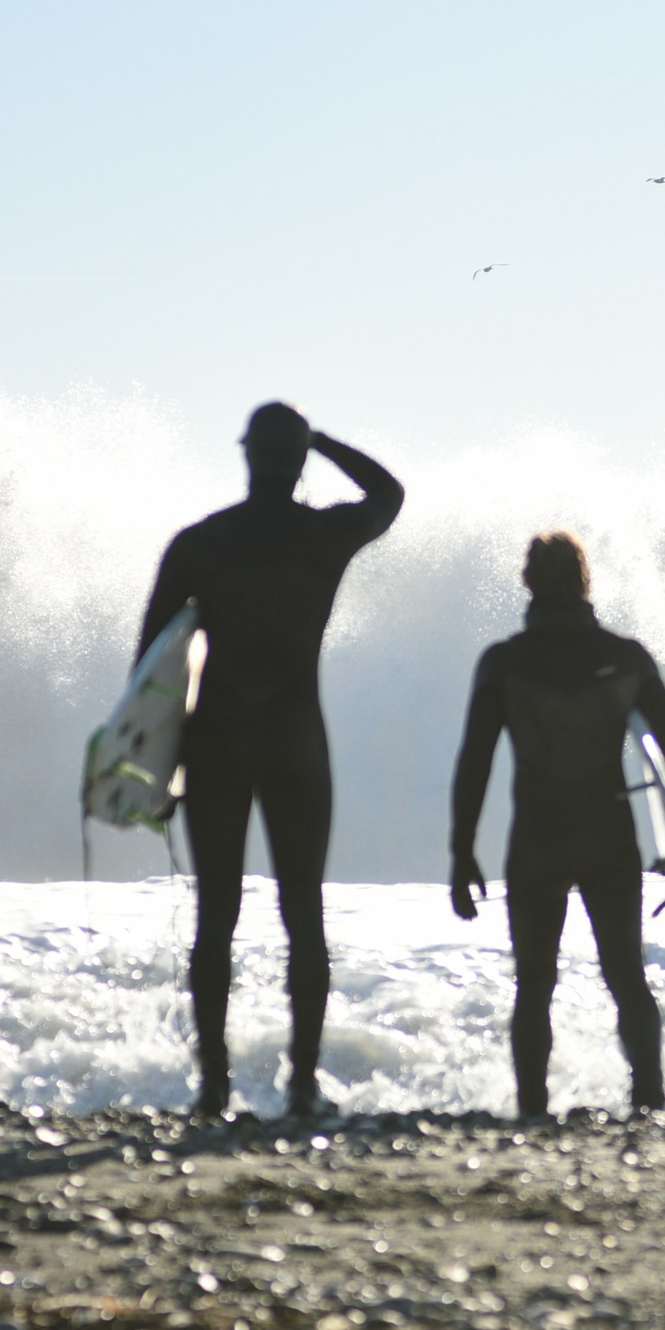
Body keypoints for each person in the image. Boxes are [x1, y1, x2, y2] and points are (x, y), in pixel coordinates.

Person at [137, 403, 403, 1119]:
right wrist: (325, 442)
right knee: (303, 914)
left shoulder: (201, 543)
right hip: (295, 741)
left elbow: (149, 671)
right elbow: (388, 494)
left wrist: (157, 771)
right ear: (298, 459)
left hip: (216, 744)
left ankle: (213, 1085)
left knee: (215, 916)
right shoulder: (324, 536)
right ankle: (303, 1085)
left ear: (247, 455)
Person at [449, 531, 665, 1119]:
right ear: (586, 582)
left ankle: (532, 1110)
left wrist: (461, 851)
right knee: (626, 976)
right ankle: (648, 1101)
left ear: (528, 583)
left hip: (536, 841)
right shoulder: (627, 658)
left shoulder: (504, 662)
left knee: (534, 985)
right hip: (607, 837)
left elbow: (474, 763)